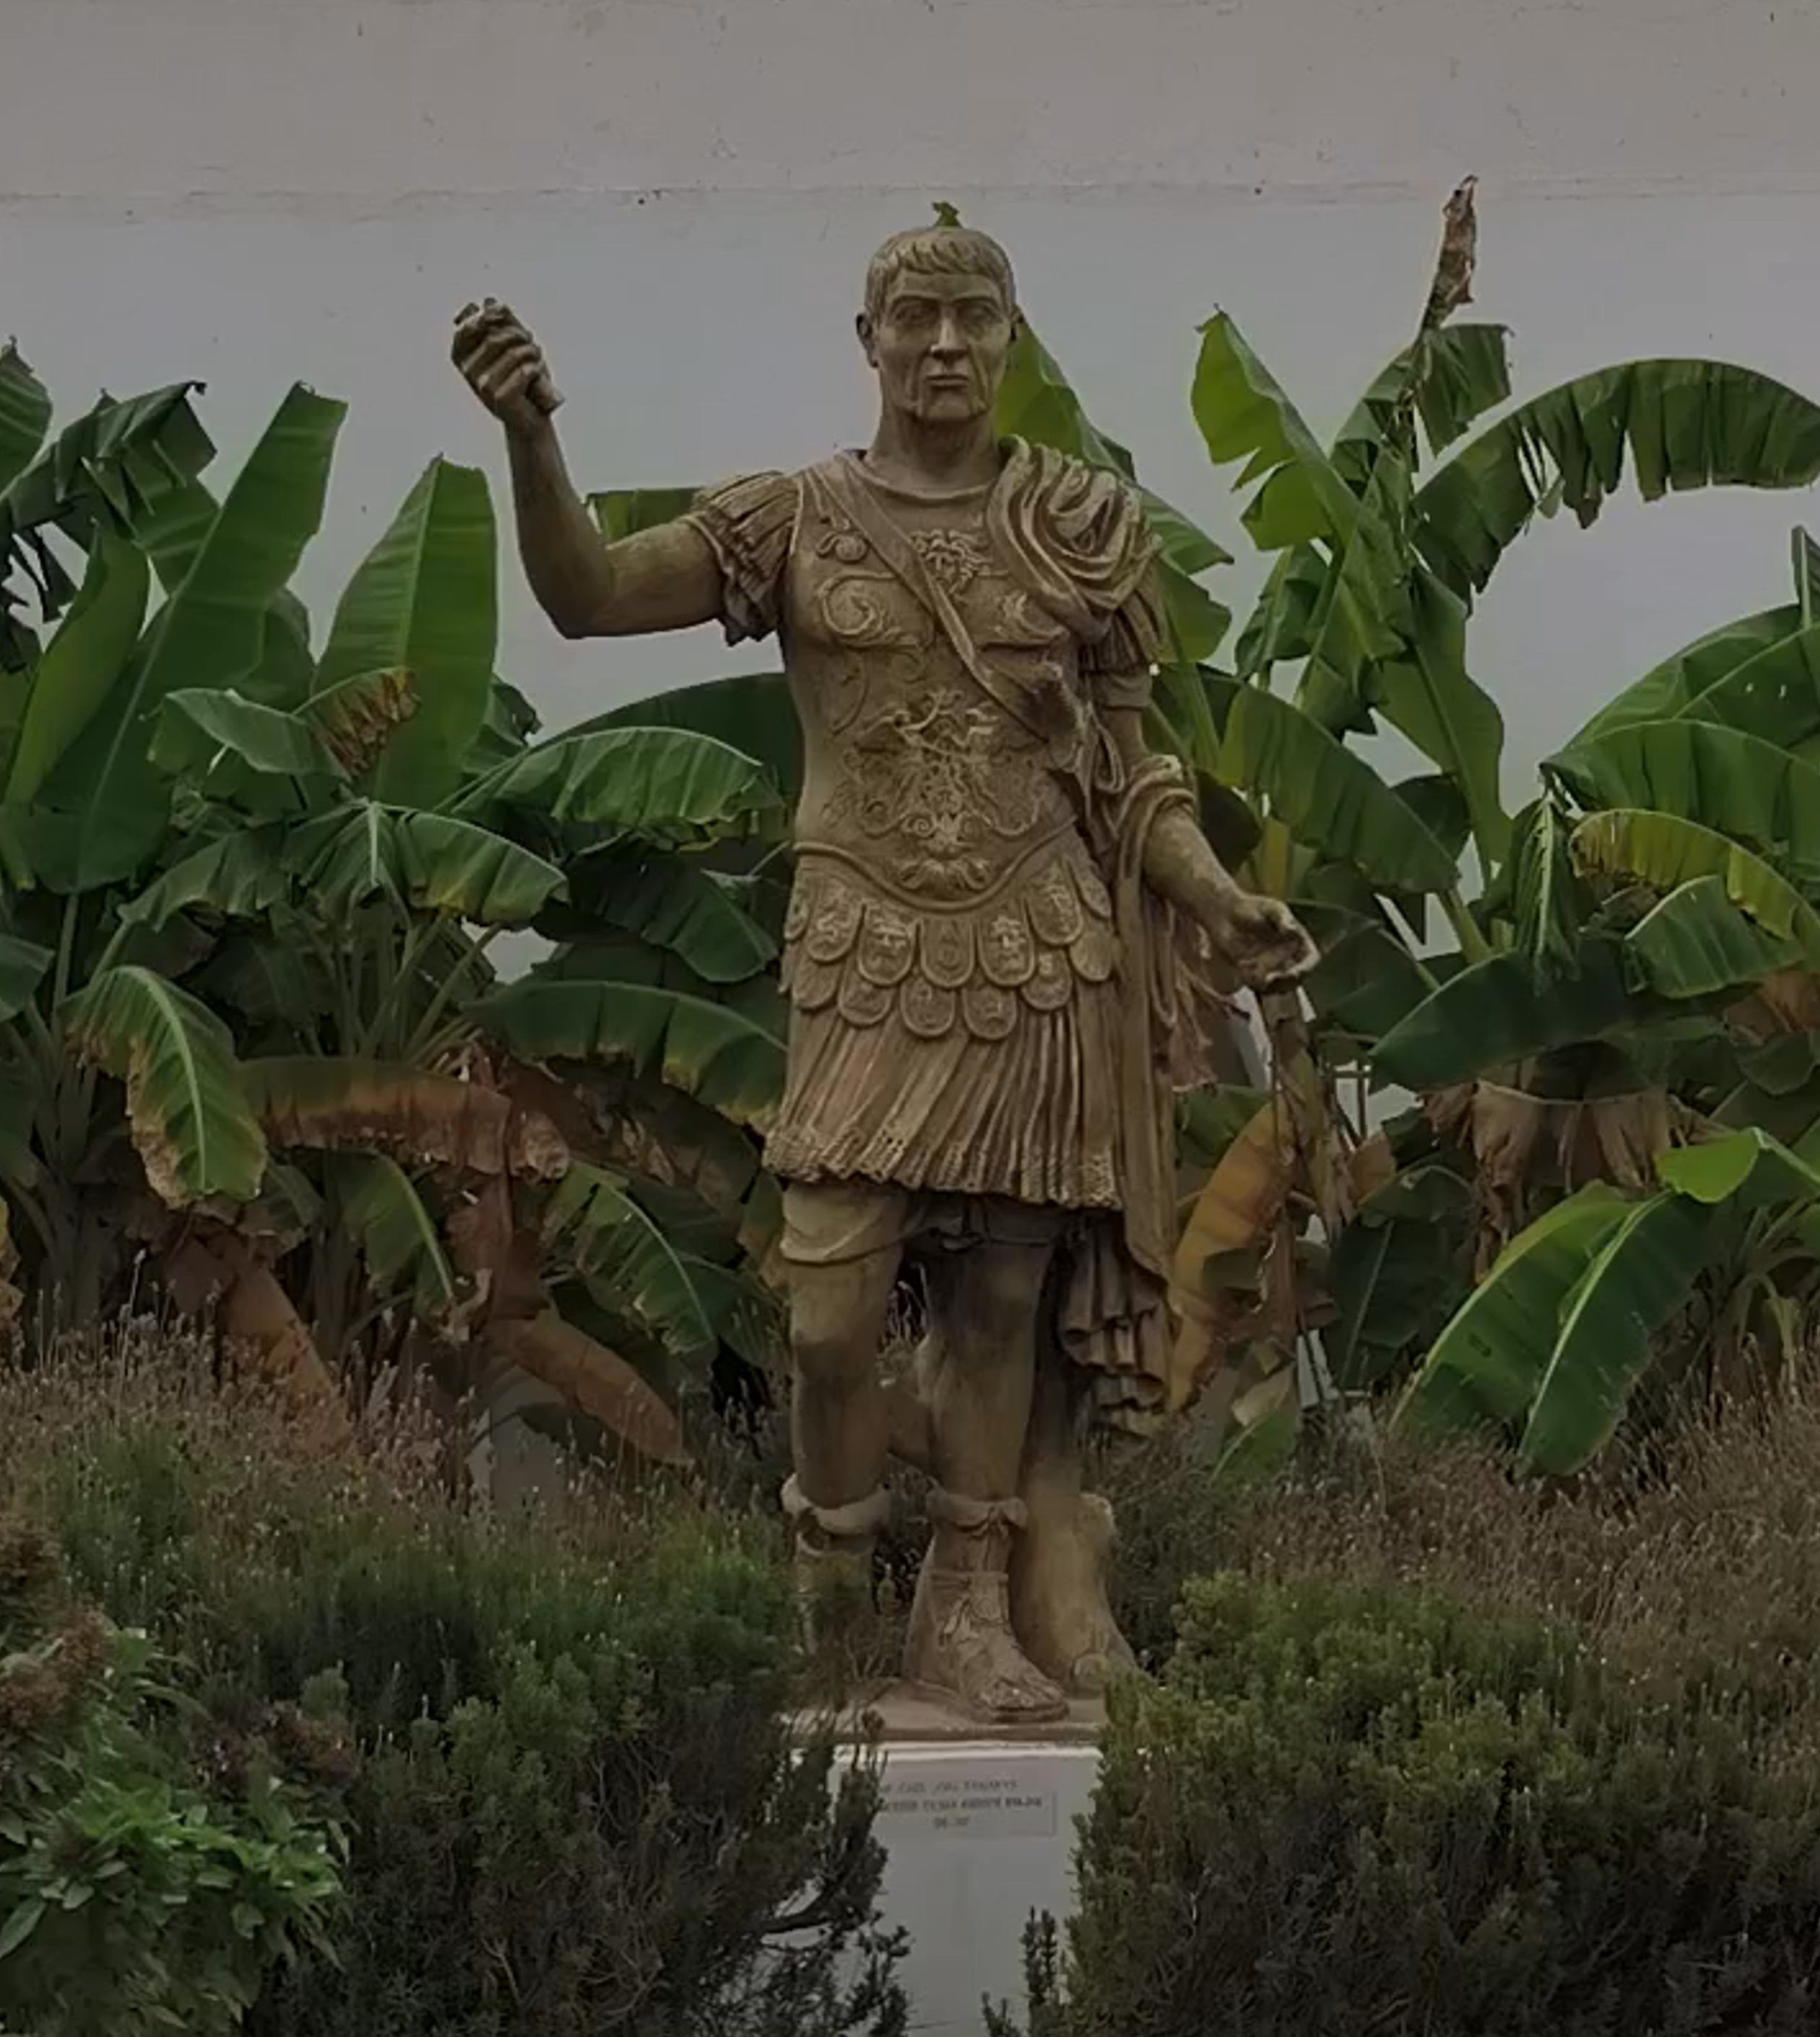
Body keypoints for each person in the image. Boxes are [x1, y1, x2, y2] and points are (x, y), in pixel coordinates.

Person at [451, 216, 1311, 1721]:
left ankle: (969, 1611)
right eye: (913, 316)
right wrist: (531, 436)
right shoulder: (792, 519)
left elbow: (1135, 770)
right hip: (867, 954)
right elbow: (587, 593)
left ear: (1011, 335)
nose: (943, 344)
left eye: (973, 317)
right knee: (827, 1316)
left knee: (1000, 1307)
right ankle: (825, 1604)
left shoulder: (1079, 525)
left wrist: (1218, 895)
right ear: (867, 339)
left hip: (1042, 950)